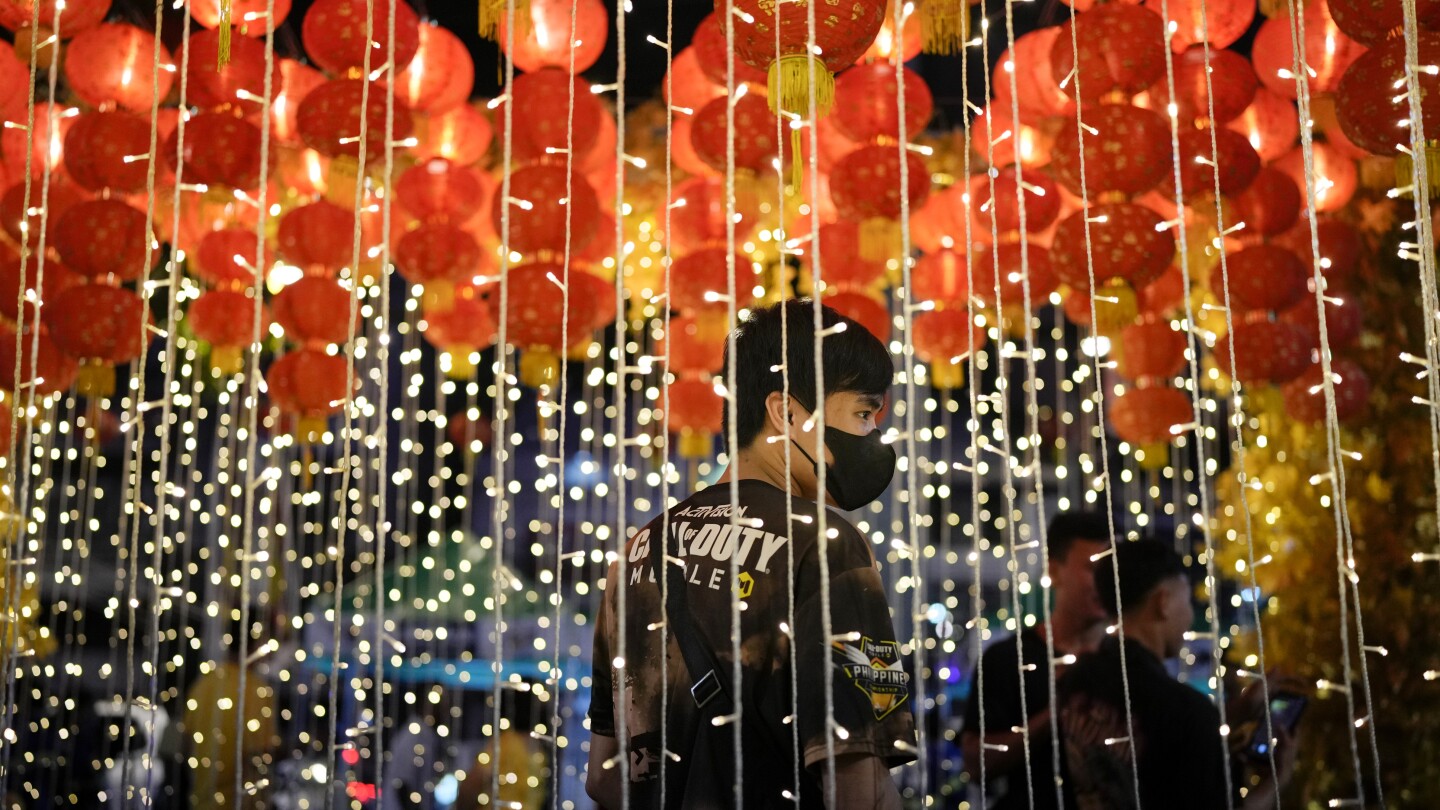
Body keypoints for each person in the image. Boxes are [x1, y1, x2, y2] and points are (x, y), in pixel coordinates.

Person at [585, 300, 917, 809]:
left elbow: (605, 779)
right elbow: (860, 785)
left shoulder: (637, 551)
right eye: (863, 412)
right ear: (785, 412)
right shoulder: (823, 542)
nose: (872, 434)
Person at [1056, 540, 1297, 810]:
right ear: (1163, 602)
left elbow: (1155, 742)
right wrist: (1274, 782)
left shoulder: (1075, 681)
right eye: (1188, 601)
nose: (1190, 617)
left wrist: (1234, 712)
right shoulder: (1185, 711)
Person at [960, 511, 1113, 809]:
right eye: (1093, 568)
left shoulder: (1126, 659)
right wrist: (1056, 711)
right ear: (1054, 571)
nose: (1105, 581)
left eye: (1112, 568)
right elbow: (977, 763)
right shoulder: (1008, 658)